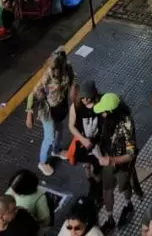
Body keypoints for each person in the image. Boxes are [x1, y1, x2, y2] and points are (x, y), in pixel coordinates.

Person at [25, 47, 75, 177]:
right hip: (47, 110)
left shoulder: (68, 69)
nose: (54, 72)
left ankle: (56, 151)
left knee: (59, 131)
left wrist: (73, 92)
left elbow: (72, 81)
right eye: (53, 69)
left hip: (60, 107)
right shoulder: (47, 76)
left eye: (57, 69)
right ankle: (42, 162)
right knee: (49, 137)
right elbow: (33, 94)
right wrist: (29, 113)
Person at [93, 93, 137, 233]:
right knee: (107, 188)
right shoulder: (105, 119)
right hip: (108, 158)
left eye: (104, 112)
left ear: (111, 112)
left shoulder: (127, 123)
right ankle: (110, 218)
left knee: (124, 186)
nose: (102, 114)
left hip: (122, 163)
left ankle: (128, 205)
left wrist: (112, 160)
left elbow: (131, 153)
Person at [68, 80, 101, 201]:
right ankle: (90, 178)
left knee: (97, 165)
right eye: (83, 97)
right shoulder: (76, 106)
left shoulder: (100, 104)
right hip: (83, 143)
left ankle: (99, 184)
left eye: (88, 97)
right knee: (87, 162)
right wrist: (83, 140)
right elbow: (71, 125)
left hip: (98, 142)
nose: (85, 100)